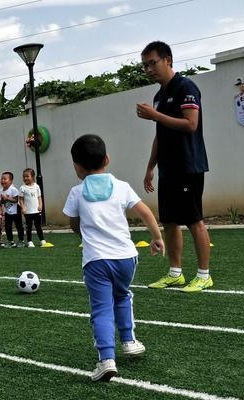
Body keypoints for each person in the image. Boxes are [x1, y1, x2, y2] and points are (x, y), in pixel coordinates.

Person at [63, 134, 165, 381]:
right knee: (122, 296)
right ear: (107, 159)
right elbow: (144, 212)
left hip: (96, 261)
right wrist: (157, 237)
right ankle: (129, 341)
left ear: (77, 167)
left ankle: (107, 359)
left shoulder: (76, 193)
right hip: (126, 258)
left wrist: (84, 234)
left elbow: (73, 223)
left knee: (101, 309)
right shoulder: (122, 186)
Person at [137, 41, 213, 293]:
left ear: (167, 60)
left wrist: (155, 115)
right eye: (144, 65)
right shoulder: (159, 95)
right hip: (168, 168)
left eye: (152, 63)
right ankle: (175, 273)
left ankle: (204, 275)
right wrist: (150, 167)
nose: (148, 69)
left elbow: (190, 124)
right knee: (169, 221)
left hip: (188, 165)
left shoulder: (186, 87)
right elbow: (161, 134)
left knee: (194, 220)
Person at [20, 168, 52, 248]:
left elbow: (39, 197)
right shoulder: (22, 188)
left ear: (33, 177)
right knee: (29, 227)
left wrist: (41, 205)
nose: (25, 178)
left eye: (27, 176)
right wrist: (23, 207)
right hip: (28, 212)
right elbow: (21, 199)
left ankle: (42, 240)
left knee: (38, 226)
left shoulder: (37, 186)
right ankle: (30, 241)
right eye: (24, 177)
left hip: (36, 211)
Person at [0, 171, 24, 248]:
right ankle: (10, 241)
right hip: (8, 211)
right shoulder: (1, 191)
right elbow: (2, 202)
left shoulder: (13, 189)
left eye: (5, 179)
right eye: (2, 179)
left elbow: (16, 200)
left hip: (16, 210)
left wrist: (6, 198)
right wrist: (2, 200)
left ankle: (21, 240)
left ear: (10, 181)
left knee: (19, 226)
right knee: (8, 227)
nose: (3, 181)